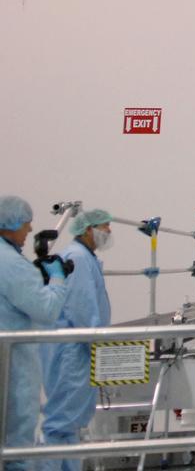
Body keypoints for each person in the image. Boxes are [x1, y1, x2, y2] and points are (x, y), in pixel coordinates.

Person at [40, 209, 114, 471]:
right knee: (61, 423)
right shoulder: (78, 258)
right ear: (87, 229)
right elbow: (82, 309)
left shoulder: (86, 258)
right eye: (105, 227)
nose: (109, 232)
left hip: (79, 351)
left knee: (70, 424)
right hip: (73, 352)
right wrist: (99, 347)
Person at [0, 196, 70, 471]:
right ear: (12, 223)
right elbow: (47, 310)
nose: (30, 231)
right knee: (16, 443)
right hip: (13, 364)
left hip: (10, 358)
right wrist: (57, 280)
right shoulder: (11, 264)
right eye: (27, 225)